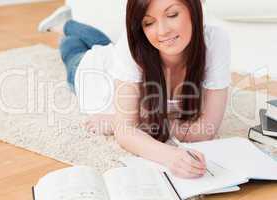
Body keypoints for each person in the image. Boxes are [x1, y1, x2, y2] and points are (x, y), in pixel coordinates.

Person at [59, 0, 230, 178]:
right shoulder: (132, 44)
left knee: (105, 44)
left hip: (119, 59)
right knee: (71, 49)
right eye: (148, 23)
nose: (163, 31)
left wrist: (126, 122)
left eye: (172, 15)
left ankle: (71, 27)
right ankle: (66, 24)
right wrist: (169, 156)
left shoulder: (214, 41)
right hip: (96, 75)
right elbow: (125, 134)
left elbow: (207, 130)